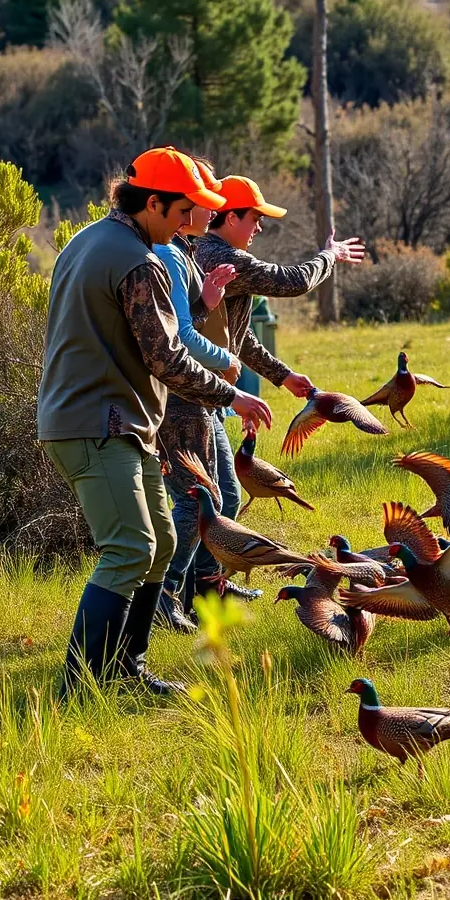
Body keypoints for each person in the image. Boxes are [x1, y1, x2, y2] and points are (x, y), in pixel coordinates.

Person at [37, 146, 272, 697]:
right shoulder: (139, 262)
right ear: (155, 203)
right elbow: (166, 357)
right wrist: (232, 395)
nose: (196, 219)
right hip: (98, 425)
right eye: (187, 208)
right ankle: (82, 686)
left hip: (115, 421)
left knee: (161, 542)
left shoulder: (93, 239)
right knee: (128, 550)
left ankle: (126, 667)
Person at [190, 175, 364, 588]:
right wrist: (330, 255)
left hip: (209, 392)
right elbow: (295, 282)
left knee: (219, 497)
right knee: (212, 499)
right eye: (254, 217)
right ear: (230, 217)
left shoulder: (215, 252)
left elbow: (239, 336)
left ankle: (206, 585)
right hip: (198, 392)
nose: (259, 227)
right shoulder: (221, 257)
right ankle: (186, 592)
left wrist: (282, 376)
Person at [152, 160, 260, 634]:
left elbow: (182, 318)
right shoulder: (173, 256)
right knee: (198, 501)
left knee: (225, 495)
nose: (211, 207)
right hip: (185, 396)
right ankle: (167, 594)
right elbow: (180, 339)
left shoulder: (184, 252)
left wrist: (205, 300)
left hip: (201, 395)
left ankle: (205, 589)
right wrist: (226, 362)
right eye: (205, 199)